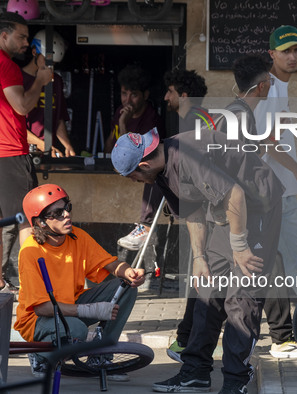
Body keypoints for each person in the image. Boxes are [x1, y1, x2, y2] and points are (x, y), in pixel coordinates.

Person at [111, 55, 285, 394]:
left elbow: (235, 194)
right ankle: (195, 372)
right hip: (226, 216)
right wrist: (200, 257)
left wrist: (240, 246)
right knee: (206, 291)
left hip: (258, 207)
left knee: (241, 297)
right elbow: (191, 211)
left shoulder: (188, 155)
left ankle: (235, 380)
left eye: (131, 175)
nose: (133, 181)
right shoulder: (161, 173)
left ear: (142, 163)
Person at [14, 184, 145, 379]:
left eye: (67, 207)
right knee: (77, 329)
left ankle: (100, 357)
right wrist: (91, 310)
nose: (67, 214)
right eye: (58, 213)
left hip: (70, 305)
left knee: (126, 288)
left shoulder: (77, 236)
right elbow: (41, 308)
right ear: (41, 222)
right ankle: (40, 354)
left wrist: (129, 272)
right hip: (38, 320)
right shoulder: (30, 252)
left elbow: (110, 264)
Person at [0, 11, 53, 293]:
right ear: (4, 35)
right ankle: (31, 287)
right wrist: (40, 81)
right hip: (9, 153)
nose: (26, 43)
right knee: (26, 221)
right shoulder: (6, 66)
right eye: (21, 36)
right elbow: (22, 106)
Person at [254, 24, 297, 359]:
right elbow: (267, 141)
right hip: (274, 189)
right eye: (286, 51)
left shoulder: (278, 87)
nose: (292, 56)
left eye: (296, 50)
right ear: (272, 54)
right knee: (295, 254)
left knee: (282, 258)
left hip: (276, 189)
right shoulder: (271, 87)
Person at [160, 69, 208, 362]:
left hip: (204, 211)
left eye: (171, 91)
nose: (166, 96)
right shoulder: (203, 119)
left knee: (201, 278)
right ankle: (187, 339)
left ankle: (187, 341)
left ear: (184, 95)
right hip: (207, 208)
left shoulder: (193, 124)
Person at [105, 64, 165, 252]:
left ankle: (144, 228)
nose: (127, 100)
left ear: (145, 95)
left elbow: (128, 151)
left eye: (134, 94)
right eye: (124, 94)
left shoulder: (151, 117)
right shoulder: (120, 113)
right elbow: (108, 147)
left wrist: (123, 123)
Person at [23, 29, 76, 157]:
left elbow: (58, 119)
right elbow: (13, 126)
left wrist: (67, 145)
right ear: (34, 51)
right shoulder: (17, 79)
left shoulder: (56, 81)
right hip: (23, 153)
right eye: (48, 61)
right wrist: (43, 146)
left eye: (54, 64)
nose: (50, 67)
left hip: (47, 151)